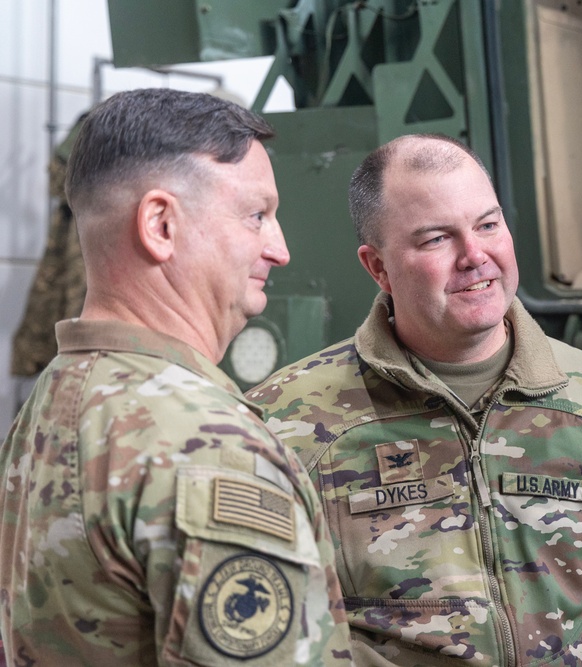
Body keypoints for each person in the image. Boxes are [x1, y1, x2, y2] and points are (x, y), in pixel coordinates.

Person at [247, 133, 582, 666]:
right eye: (436, 239)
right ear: (377, 267)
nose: (476, 256)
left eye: (488, 225)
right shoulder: (287, 421)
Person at [0, 88, 353, 666]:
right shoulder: (208, 444)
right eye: (256, 215)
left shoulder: (51, 403)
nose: (280, 248)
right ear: (161, 224)